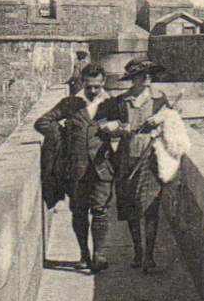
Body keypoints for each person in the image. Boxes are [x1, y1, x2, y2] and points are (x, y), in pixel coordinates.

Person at [34, 63, 123, 272]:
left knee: (100, 210)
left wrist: (116, 128)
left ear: (103, 84)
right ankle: (84, 253)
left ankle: (98, 254)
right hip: (76, 169)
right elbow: (42, 122)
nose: (93, 91)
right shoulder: (70, 104)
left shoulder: (111, 105)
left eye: (97, 86)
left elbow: (127, 127)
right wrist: (62, 135)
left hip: (103, 167)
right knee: (80, 211)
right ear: (83, 83)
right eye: (89, 86)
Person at [103, 57, 174, 273]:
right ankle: (138, 251)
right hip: (126, 158)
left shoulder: (160, 100)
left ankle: (150, 256)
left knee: (151, 207)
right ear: (134, 79)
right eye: (144, 74)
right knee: (131, 207)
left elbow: (174, 124)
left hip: (151, 158)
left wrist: (159, 124)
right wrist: (118, 128)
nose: (149, 77)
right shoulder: (120, 101)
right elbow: (106, 123)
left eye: (150, 73)